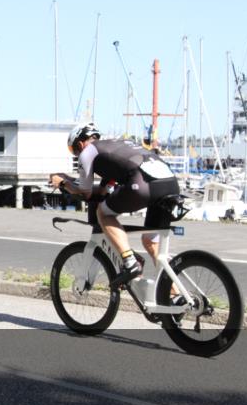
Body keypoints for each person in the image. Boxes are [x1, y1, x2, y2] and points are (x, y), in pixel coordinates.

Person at [50, 122, 181, 292]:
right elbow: (104, 189)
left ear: (80, 143)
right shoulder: (114, 147)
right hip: (169, 185)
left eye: (73, 150)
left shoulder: (87, 152)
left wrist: (63, 182)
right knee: (152, 244)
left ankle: (129, 261)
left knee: (103, 213)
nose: (76, 155)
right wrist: (70, 182)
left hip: (144, 186)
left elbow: (86, 193)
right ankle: (177, 297)